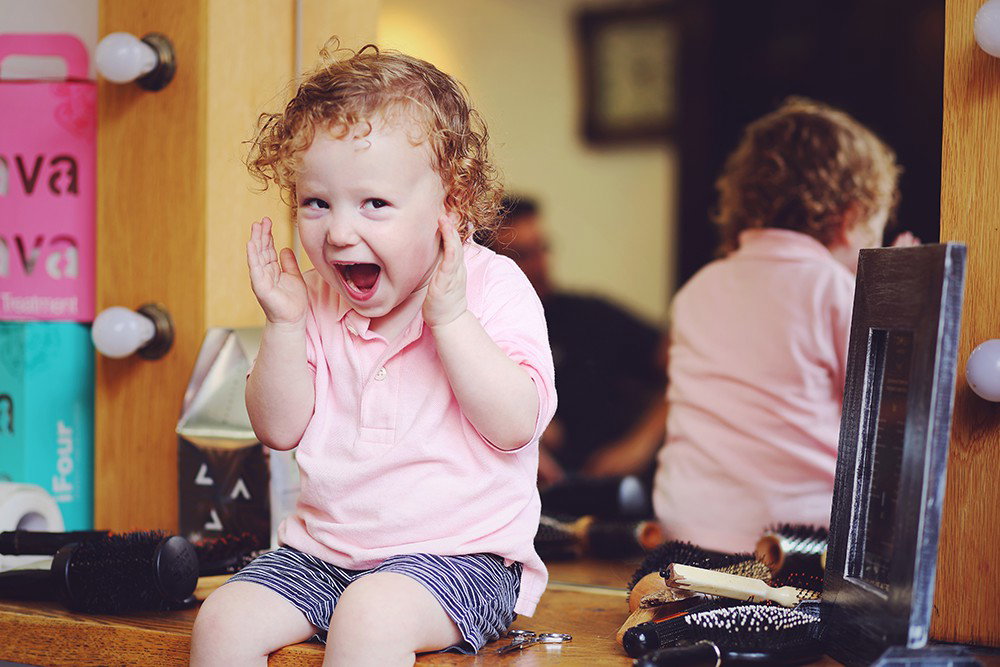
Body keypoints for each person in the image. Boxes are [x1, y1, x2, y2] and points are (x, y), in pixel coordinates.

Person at [190, 44, 556, 666]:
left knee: (371, 614)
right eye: (316, 202)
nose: (338, 232)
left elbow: (516, 424)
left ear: (450, 206)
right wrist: (284, 324)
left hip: (461, 557)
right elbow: (277, 429)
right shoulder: (313, 297)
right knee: (223, 620)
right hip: (322, 555)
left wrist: (451, 319)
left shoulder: (492, 287)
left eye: (374, 204)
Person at [653, 97, 904, 553]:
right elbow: (885, 418)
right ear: (851, 217)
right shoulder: (835, 289)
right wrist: (897, 305)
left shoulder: (697, 288)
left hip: (687, 531)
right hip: (794, 543)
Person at [486, 197, 668, 488]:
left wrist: (639, 444)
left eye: (543, 248)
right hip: (519, 489)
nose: (540, 264)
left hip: (602, 488)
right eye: (522, 254)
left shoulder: (591, 316)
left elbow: (687, 365)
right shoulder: (477, 331)